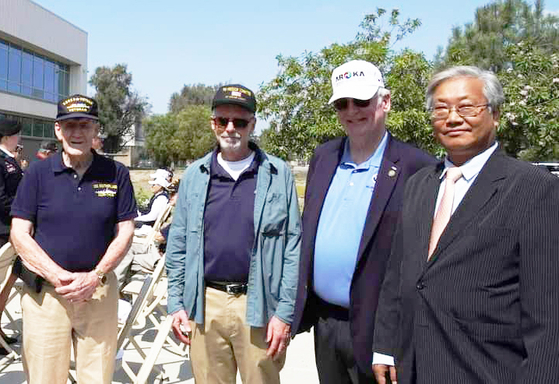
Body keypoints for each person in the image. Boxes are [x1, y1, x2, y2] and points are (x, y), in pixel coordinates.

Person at [372, 66, 559, 384]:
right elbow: (399, 274)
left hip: (488, 370)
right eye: (441, 108)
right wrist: (385, 346)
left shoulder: (534, 189)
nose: (453, 118)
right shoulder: (419, 184)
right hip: (414, 366)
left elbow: (548, 315)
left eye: (467, 107)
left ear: (495, 114)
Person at [291, 60, 435, 384]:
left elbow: (417, 265)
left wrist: (392, 342)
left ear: (384, 101)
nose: (352, 110)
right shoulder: (323, 157)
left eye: (362, 101)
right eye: (343, 103)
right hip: (325, 324)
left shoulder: (418, 167)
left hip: (379, 335)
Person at [166, 84, 301, 384]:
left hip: (260, 305)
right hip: (205, 303)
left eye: (239, 122)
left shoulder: (278, 176)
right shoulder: (194, 176)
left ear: (252, 124)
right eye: (222, 120)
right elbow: (177, 245)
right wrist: (176, 302)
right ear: (212, 123)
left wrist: (284, 313)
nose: (230, 128)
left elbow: (293, 248)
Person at [10, 94, 137, 384]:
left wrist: (95, 275)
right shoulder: (38, 173)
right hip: (47, 296)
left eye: (84, 125)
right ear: (58, 130)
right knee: (44, 378)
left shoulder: (116, 173)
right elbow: (20, 233)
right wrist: (59, 277)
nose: (77, 133)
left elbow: (126, 231)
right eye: (69, 126)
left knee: (97, 377)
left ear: (95, 130)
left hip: (99, 291)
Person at [0, 119, 24, 351]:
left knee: (6, 284)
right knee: (1, 284)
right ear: (7, 136)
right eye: (16, 135)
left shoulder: (9, 159)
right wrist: (23, 211)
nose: (19, 139)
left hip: (11, 228)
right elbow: (2, 199)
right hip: (4, 231)